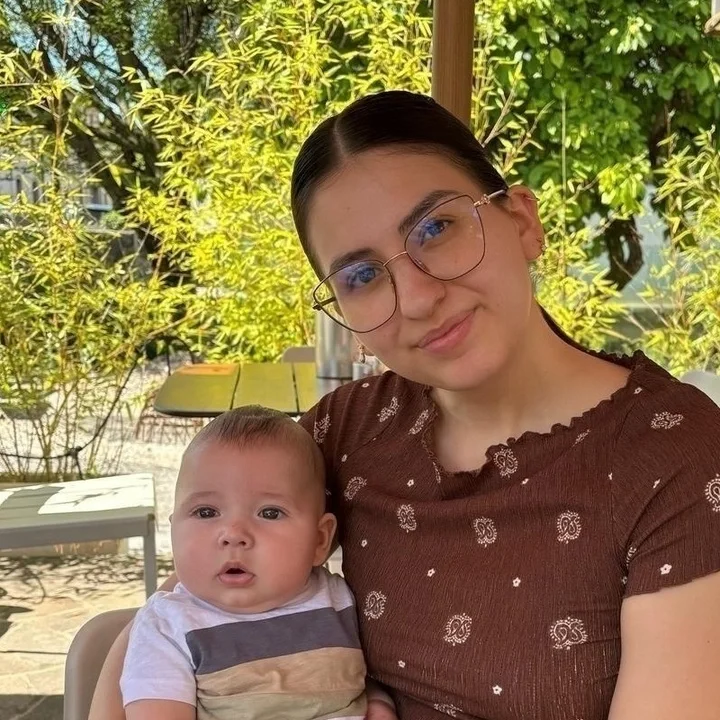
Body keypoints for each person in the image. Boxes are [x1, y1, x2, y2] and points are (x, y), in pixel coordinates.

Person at [91, 91, 720, 720]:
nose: (417, 298)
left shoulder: (678, 461)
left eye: (436, 229)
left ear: (522, 221)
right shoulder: (348, 432)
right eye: (361, 276)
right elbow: (172, 618)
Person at [119, 406, 374, 720]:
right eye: (206, 512)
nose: (234, 534)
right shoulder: (169, 627)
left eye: (269, 513)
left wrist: (380, 703)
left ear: (320, 540)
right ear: (173, 530)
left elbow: (364, 678)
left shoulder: (338, 599)